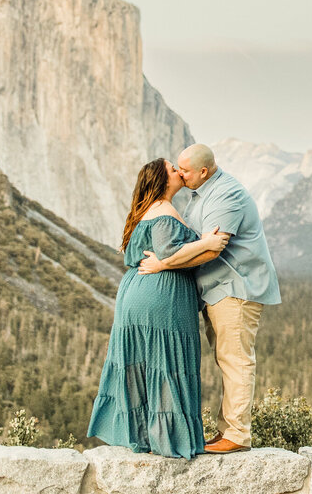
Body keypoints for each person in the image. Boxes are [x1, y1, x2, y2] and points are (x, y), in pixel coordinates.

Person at [140, 143, 281, 454]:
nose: (178, 173)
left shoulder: (226, 195)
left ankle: (237, 434)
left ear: (203, 171)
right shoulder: (198, 194)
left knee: (236, 359)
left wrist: (163, 264)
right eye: (176, 168)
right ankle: (225, 431)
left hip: (235, 288)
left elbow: (212, 248)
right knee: (225, 358)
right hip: (215, 290)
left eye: (184, 170)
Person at [87, 159, 229, 458]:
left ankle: (142, 436)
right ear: (163, 180)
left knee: (141, 362)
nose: (179, 170)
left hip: (134, 292)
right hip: (161, 295)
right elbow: (169, 252)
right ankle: (170, 441)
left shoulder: (143, 211)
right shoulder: (165, 210)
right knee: (166, 362)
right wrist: (208, 241)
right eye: (172, 167)